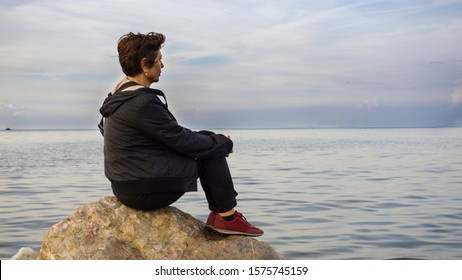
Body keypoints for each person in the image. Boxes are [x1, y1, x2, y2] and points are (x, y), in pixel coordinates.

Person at [98, 32, 263, 237]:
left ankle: (221, 214)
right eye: (159, 60)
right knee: (209, 151)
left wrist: (213, 141)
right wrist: (222, 145)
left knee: (207, 139)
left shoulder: (120, 94)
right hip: (141, 191)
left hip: (125, 185)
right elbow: (181, 140)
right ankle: (227, 218)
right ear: (144, 64)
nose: (162, 66)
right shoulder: (141, 102)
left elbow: (170, 136)